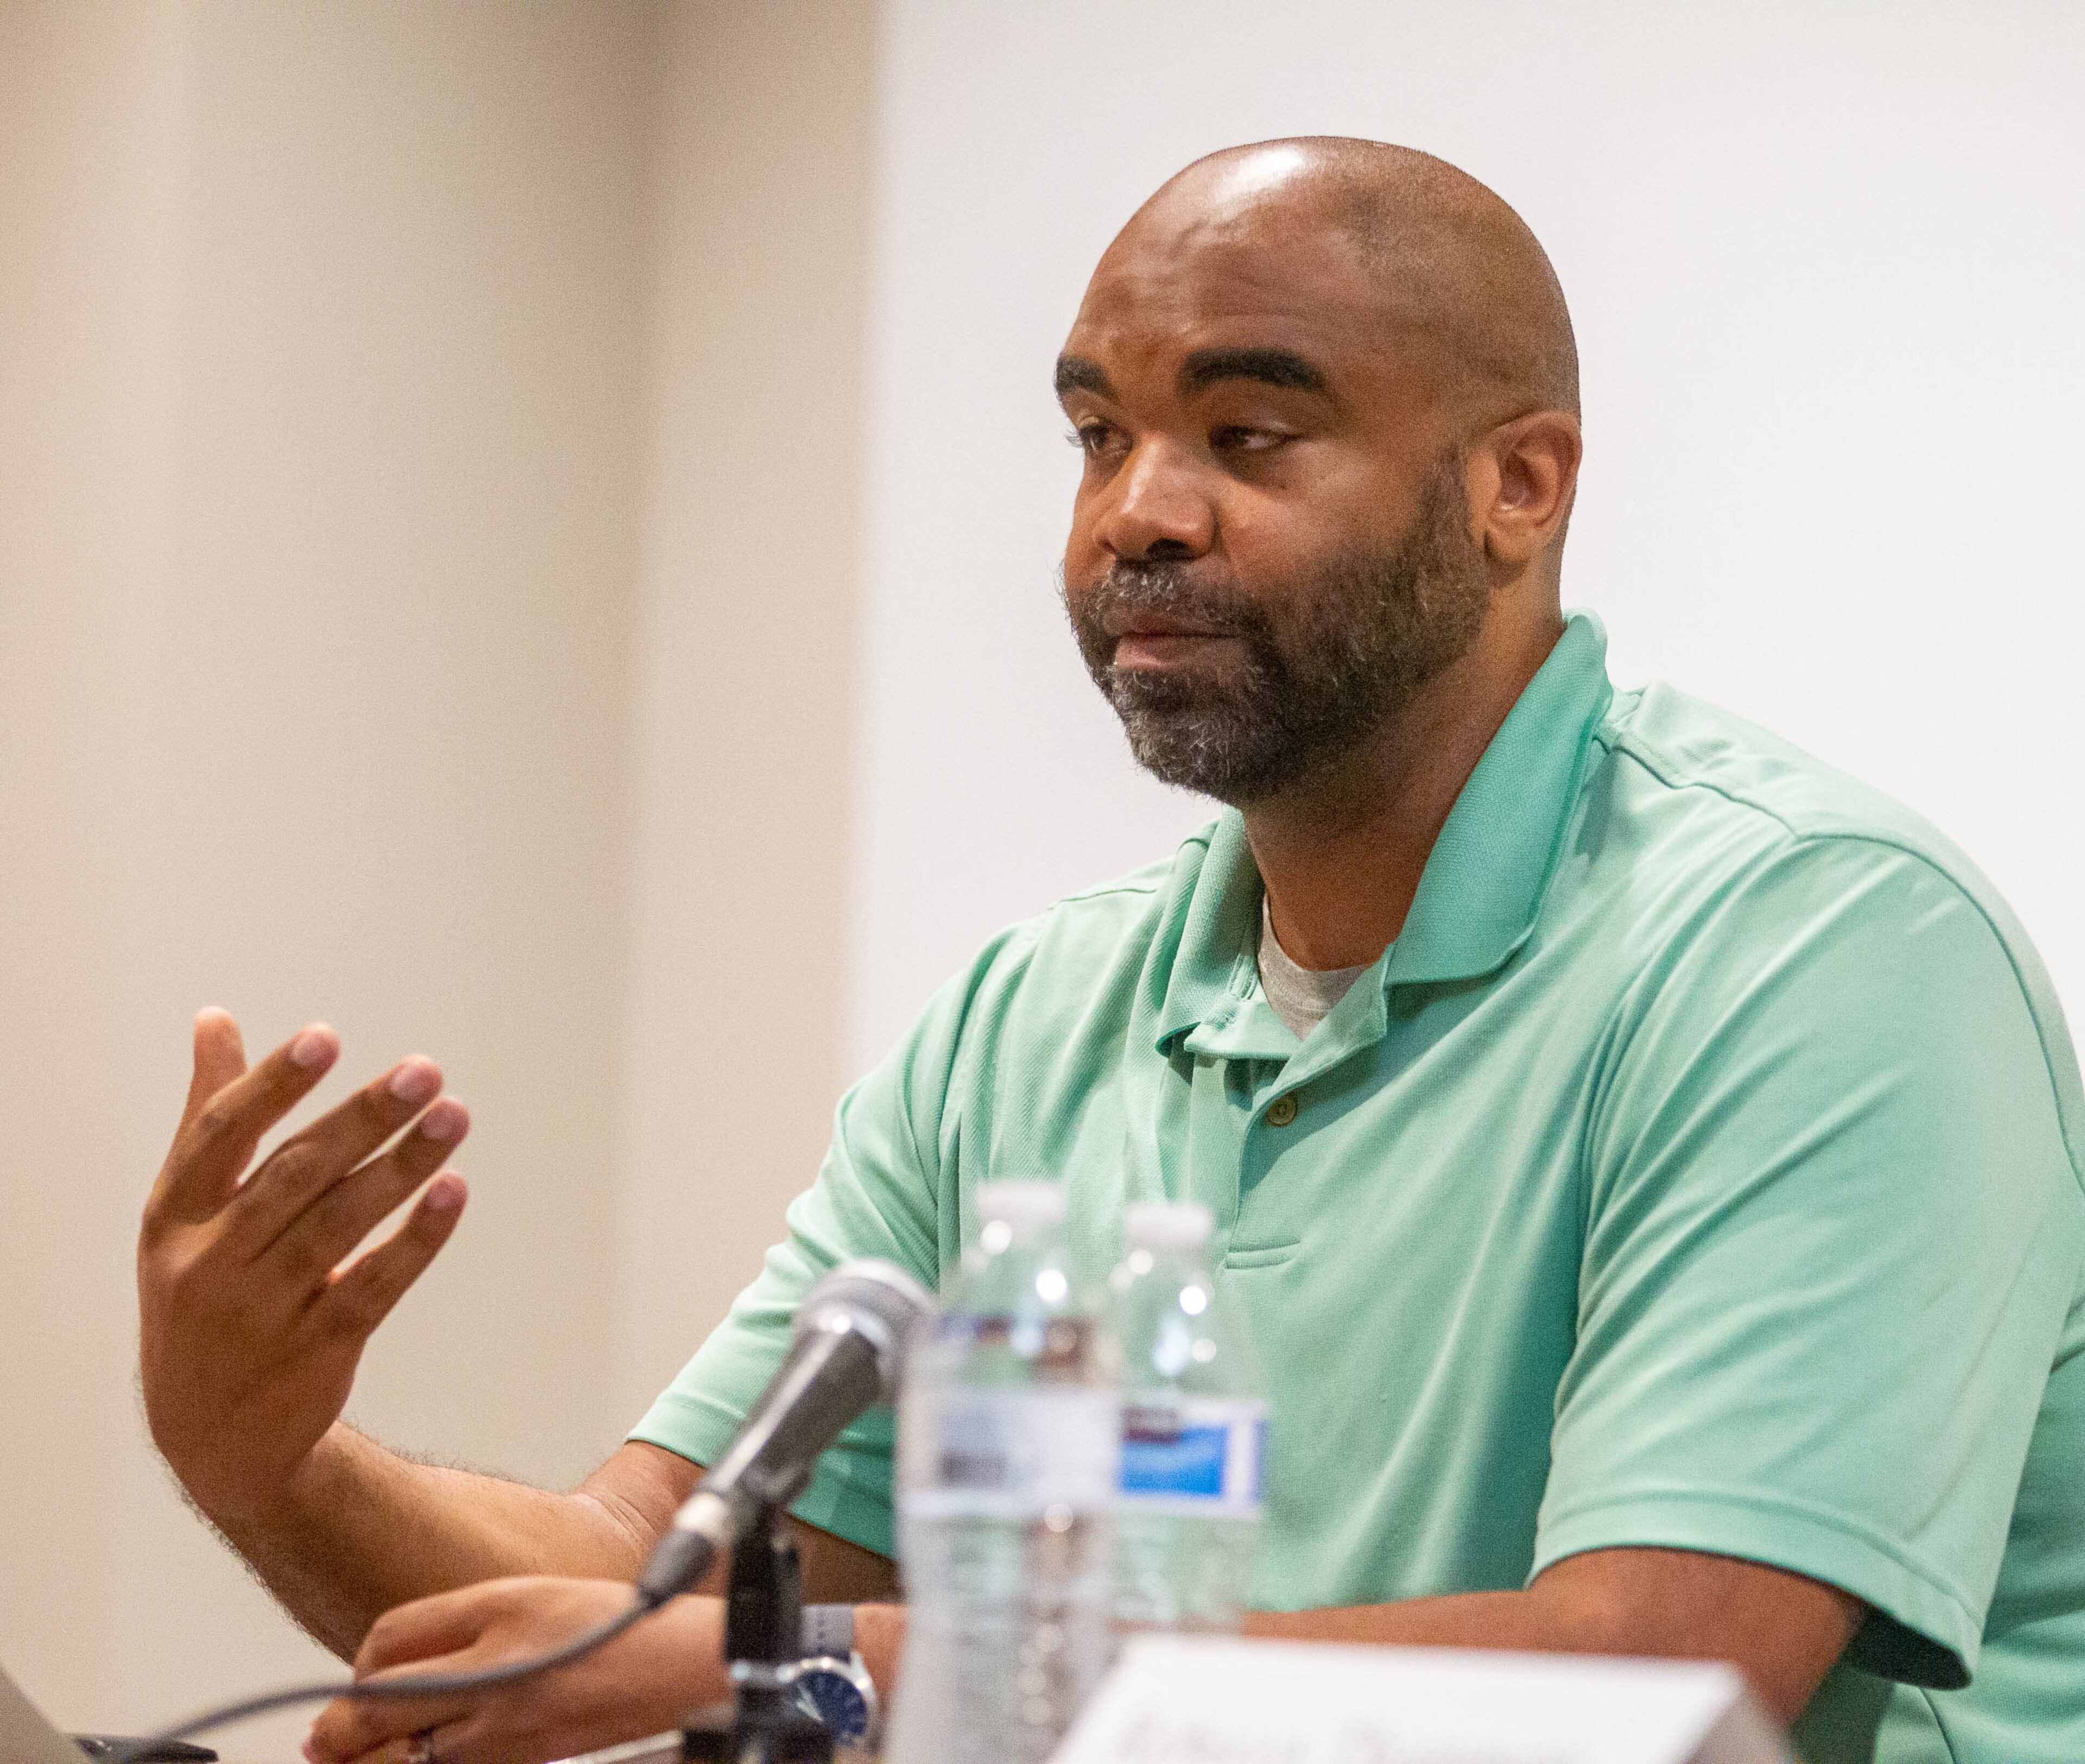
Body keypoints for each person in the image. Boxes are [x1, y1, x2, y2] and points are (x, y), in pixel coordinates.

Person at [135, 139, 2085, 1764]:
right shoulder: (1032, 1021)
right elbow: (635, 1589)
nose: (1135, 516)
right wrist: (265, 1456)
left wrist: (860, 1669)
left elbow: (1667, 1679)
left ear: (1522, 485)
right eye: (1096, 434)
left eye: (1245, 431)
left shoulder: (1818, 950)